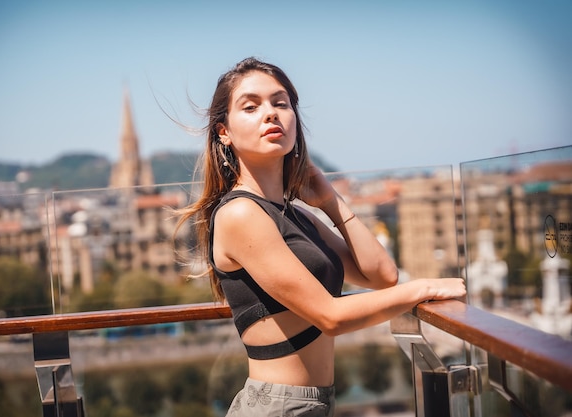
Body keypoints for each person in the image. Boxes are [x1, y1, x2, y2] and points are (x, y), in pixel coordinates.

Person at [176, 57, 466, 417]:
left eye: (280, 103)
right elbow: (331, 316)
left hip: (308, 403)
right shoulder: (240, 214)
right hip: (278, 406)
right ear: (224, 132)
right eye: (251, 107)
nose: (271, 113)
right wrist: (424, 289)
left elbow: (381, 276)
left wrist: (331, 202)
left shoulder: (294, 216)